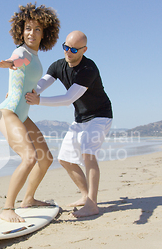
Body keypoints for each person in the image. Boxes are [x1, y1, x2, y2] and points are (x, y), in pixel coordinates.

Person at [25, 30, 113, 218]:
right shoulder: (58, 65)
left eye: (74, 49)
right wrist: (25, 92)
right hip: (80, 118)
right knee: (65, 159)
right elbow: (40, 85)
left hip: (100, 116)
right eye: (66, 47)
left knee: (88, 154)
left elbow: (68, 98)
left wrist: (38, 101)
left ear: (84, 50)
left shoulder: (88, 69)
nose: (68, 52)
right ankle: (84, 195)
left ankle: (92, 204)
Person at [0, 3, 60, 223]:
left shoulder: (35, 56)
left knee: (46, 159)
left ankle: (29, 199)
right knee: (30, 157)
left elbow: (26, 78)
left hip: (22, 114)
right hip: (8, 112)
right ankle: (7, 209)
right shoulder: (22, 53)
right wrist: (10, 63)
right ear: (21, 31)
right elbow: (19, 62)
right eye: (28, 28)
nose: (32, 33)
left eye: (37, 29)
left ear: (45, 34)